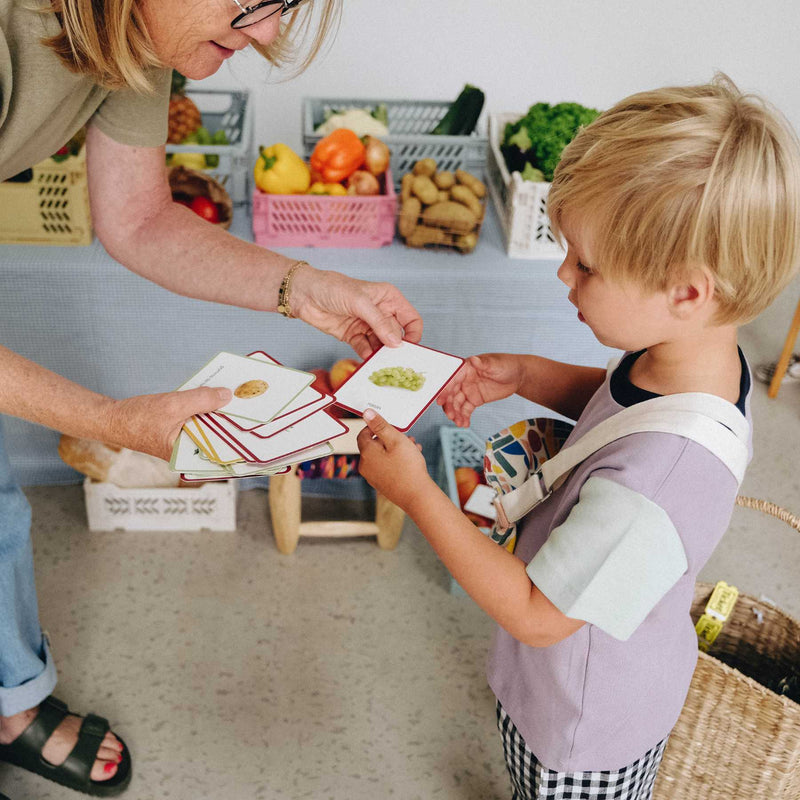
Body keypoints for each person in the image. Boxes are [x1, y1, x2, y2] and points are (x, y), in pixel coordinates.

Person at [0, 0, 422, 795]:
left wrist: (305, 287)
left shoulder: (132, 31)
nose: (267, 32)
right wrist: (109, 421)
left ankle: (10, 707)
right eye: (248, 1)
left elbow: (139, 218)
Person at [357, 75, 800, 800]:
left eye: (586, 264)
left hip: (581, 729)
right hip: (577, 677)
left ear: (687, 292)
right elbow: (620, 408)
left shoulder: (659, 484)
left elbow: (536, 616)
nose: (564, 273)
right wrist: (527, 374)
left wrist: (416, 493)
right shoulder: (693, 363)